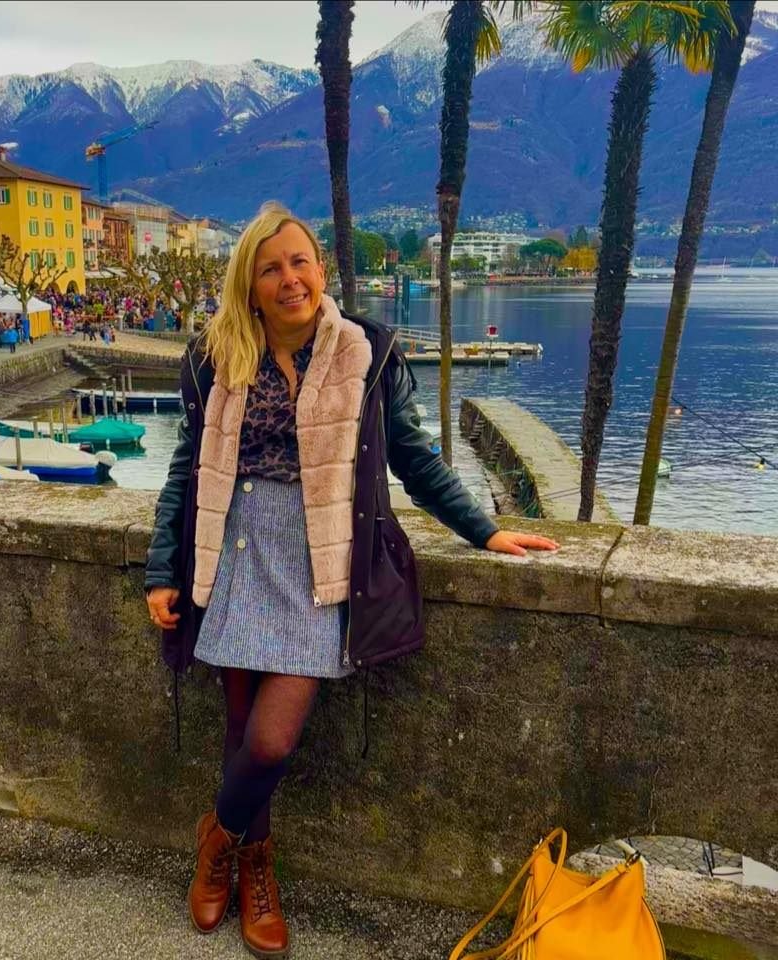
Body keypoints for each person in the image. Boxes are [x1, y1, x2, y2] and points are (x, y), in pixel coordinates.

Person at [144, 203, 558, 959]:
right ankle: (256, 869)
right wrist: (161, 569)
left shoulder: (366, 352)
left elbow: (414, 457)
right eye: (270, 268)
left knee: (271, 740)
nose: (289, 279)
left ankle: (217, 839)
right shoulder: (215, 356)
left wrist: (485, 530)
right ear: (249, 284)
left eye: (299, 262)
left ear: (321, 269)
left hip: (319, 560)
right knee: (240, 730)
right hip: (233, 550)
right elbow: (186, 470)